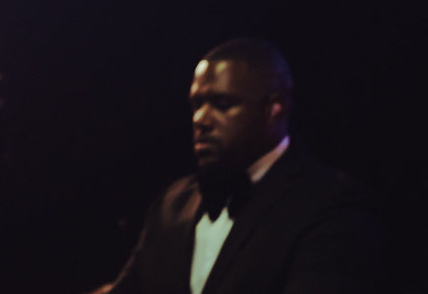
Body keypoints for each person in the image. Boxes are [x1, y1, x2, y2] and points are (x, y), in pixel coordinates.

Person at [97, 38, 379, 294]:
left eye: (221, 103)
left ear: (274, 108)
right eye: (197, 104)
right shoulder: (172, 204)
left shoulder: (329, 204)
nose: (200, 119)